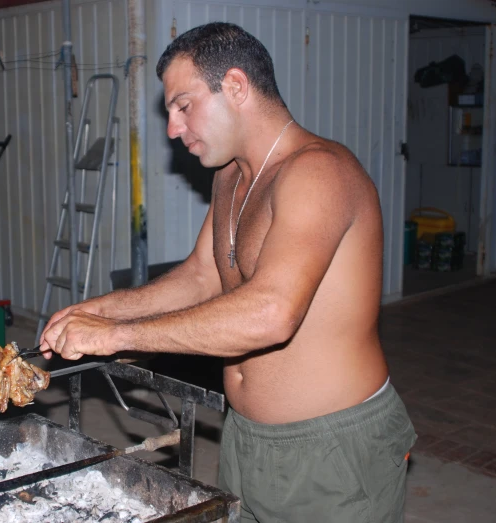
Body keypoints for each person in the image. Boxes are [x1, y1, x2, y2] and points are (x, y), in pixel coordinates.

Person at [40, 21, 416, 523]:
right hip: (245, 434)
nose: (173, 128)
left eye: (183, 106)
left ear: (235, 86)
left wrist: (116, 335)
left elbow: (271, 313)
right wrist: (94, 311)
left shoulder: (320, 172)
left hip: (333, 447)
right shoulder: (230, 177)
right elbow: (201, 277)